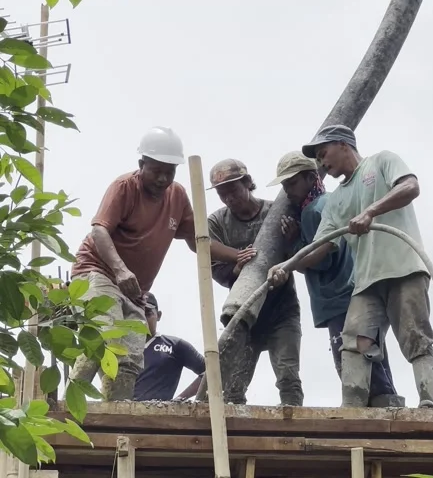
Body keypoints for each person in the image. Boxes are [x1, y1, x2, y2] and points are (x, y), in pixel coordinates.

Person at [268, 125, 433, 409]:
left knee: (414, 334)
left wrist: (371, 211)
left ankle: (428, 402)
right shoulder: (337, 200)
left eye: (324, 154)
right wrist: (288, 263)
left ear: (343, 145)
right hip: (366, 282)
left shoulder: (382, 161)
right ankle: (353, 409)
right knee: (354, 340)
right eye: (319, 159)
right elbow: (320, 248)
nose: (323, 163)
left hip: (403, 269)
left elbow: (410, 186)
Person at [69, 127, 238, 401]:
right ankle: (71, 406)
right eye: (156, 170)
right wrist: (120, 269)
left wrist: (237, 256)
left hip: (134, 289)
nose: (162, 178)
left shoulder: (178, 197)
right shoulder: (124, 187)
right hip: (97, 272)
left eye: (169, 172)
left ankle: (118, 413)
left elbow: (199, 242)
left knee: (131, 358)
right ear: (141, 165)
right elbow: (99, 230)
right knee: (102, 337)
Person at [208, 158, 304, 406]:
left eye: (233, 189)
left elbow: (301, 256)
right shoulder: (217, 223)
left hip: (281, 311)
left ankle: (293, 434)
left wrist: (292, 242)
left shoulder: (276, 211)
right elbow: (215, 267)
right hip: (244, 315)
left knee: (288, 377)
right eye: (222, 193)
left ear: (248, 183)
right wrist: (236, 269)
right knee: (233, 388)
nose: (229, 197)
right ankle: (233, 440)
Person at [133, 293, 205, 401]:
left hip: (158, 414)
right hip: (123, 413)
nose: (142, 320)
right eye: (138, 314)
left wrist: (181, 398)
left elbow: (211, 371)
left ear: (159, 315)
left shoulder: (174, 345)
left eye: (147, 313)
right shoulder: (122, 347)